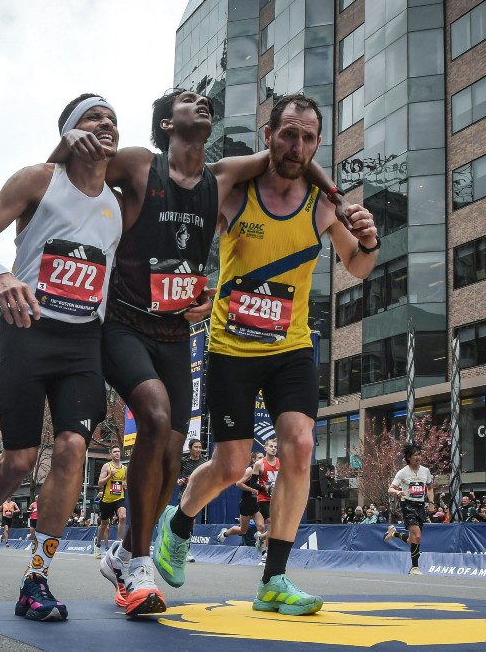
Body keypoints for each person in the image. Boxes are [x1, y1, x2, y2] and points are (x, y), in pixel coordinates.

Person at [49, 88, 335, 618]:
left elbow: (289, 158)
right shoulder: (139, 163)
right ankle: (136, 566)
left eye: (204, 99)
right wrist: (67, 144)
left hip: (176, 334)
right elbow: (69, 181)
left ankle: (135, 547)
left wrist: (326, 182)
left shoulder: (220, 176)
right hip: (123, 324)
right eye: (185, 99)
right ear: (164, 125)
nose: (199, 100)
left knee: (172, 451)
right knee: (156, 420)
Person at [152, 93, 380, 617]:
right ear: (268, 135)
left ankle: (275, 578)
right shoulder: (237, 193)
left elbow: (359, 266)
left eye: (308, 137)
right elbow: (190, 242)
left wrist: (368, 241)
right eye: (288, 134)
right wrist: (190, 290)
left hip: (292, 347)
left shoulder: (324, 205)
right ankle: (179, 523)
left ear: (319, 144)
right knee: (232, 465)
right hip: (231, 347)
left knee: (300, 443)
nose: (297, 145)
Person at [0, 94, 122, 623]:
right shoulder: (37, 180)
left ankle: (36, 580)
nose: (106, 125)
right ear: (69, 132)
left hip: (82, 343)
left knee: (73, 448)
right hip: (28, 331)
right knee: (22, 459)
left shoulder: (118, 203)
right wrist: (2, 275)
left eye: (113, 119)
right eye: (94, 117)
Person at [383, 444, 435, 575]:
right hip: (407, 505)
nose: (418, 457)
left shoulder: (426, 471)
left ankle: (393, 533)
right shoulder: (402, 472)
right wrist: (397, 492)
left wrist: (431, 503)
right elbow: (390, 489)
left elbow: (429, 488)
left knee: (412, 540)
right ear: (408, 457)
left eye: (419, 454)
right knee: (417, 536)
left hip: (420, 505)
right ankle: (415, 568)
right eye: (415, 455)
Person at [215, 450, 265, 546]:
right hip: (246, 503)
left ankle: (263, 553)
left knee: (261, 527)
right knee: (243, 530)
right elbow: (238, 483)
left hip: (256, 503)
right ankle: (224, 534)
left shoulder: (263, 471)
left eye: (263, 458)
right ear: (254, 460)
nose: (262, 460)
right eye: (259, 458)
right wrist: (252, 490)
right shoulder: (250, 470)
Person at [95, 445, 127, 559]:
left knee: (123, 517)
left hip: (119, 498)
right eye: (115, 452)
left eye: (118, 451)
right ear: (111, 454)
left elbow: (125, 482)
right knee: (104, 525)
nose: (117, 453)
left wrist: (125, 484)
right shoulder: (106, 466)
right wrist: (110, 476)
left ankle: (118, 544)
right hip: (107, 500)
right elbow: (100, 483)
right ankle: (98, 544)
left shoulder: (124, 468)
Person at [252, 438, 280, 563]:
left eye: (275, 447)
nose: (273, 449)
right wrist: (265, 488)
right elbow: (253, 483)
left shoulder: (281, 463)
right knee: (270, 522)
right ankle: (266, 553)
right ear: (265, 448)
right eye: (271, 446)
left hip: (278, 498)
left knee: (277, 526)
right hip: (263, 498)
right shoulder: (259, 464)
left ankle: (261, 537)